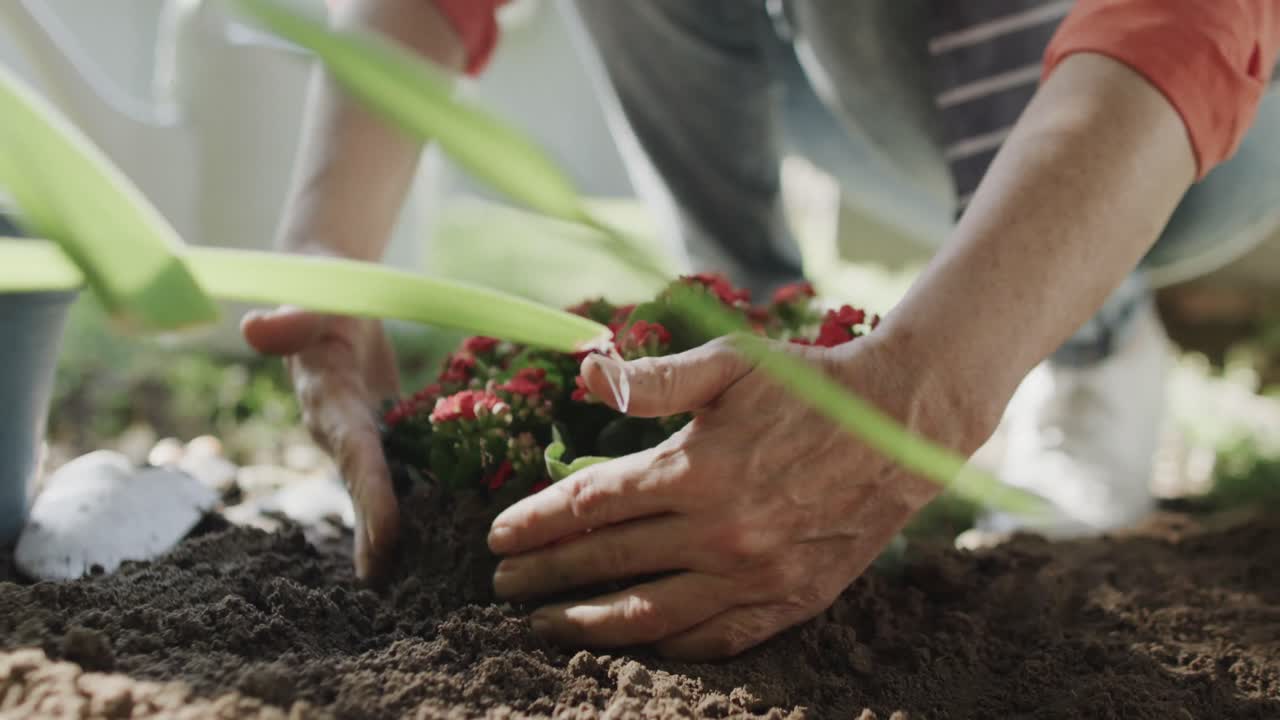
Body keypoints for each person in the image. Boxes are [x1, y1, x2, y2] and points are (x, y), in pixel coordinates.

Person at [242, 0, 1280, 660]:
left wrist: (923, 389)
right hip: (864, 87)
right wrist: (331, 254)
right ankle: (745, 346)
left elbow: (1185, 22)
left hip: (1199, 110)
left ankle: (1089, 350)